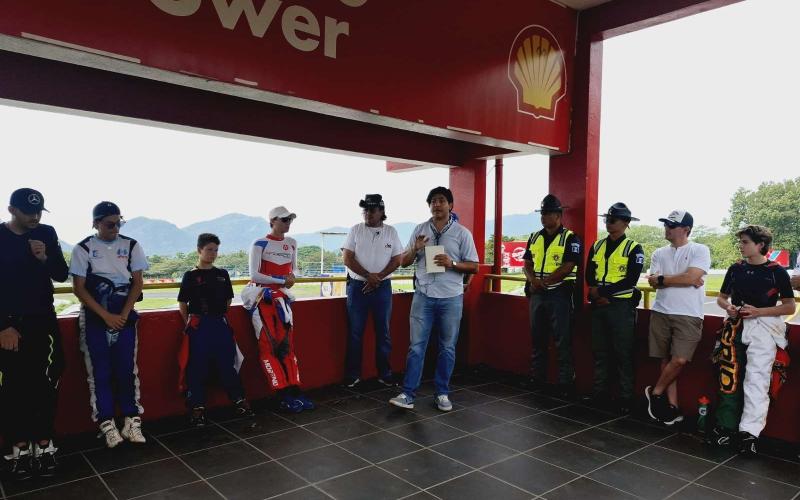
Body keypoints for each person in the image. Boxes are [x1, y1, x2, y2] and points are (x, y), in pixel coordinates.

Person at [389, 187, 479, 412]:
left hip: (451, 297)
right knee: (416, 347)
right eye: (433, 202)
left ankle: (442, 393)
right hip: (424, 296)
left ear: (451, 205)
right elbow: (404, 262)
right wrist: (414, 248)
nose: (437, 205)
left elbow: (474, 266)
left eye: (441, 201)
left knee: (447, 347)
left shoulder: (462, 233)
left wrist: (453, 264)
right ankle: (408, 394)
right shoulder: (420, 230)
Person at [0, 188, 68, 479]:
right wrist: (3, 325)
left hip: (43, 321)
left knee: (46, 381)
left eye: (39, 211)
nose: (35, 217)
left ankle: (44, 442)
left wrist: (44, 258)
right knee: (14, 386)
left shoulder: (47, 233)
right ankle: (18, 447)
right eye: (29, 212)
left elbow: (61, 274)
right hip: (10, 325)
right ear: (11, 210)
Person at [709, 225, 795, 455]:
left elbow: (789, 306)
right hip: (735, 327)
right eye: (741, 242)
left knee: (757, 380)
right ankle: (725, 428)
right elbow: (721, 298)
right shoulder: (735, 268)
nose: (741, 245)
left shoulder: (777, 271)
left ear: (760, 245)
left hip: (764, 329)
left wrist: (758, 312)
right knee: (730, 377)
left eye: (745, 242)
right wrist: (729, 308)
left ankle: (750, 434)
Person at [70, 201, 148, 448]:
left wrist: (123, 314)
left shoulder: (131, 245)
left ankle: (131, 420)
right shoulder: (83, 248)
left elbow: (137, 283)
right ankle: (106, 424)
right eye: (109, 224)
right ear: (96, 223)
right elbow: (79, 289)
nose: (115, 228)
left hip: (124, 314)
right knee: (99, 373)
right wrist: (105, 316)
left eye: (119, 223)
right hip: (95, 317)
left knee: (127, 370)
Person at [177, 233, 254, 427]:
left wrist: (218, 316)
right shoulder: (191, 275)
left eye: (216, 250)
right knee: (197, 367)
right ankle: (197, 407)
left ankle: (238, 400)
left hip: (220, 324)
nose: (213, 254)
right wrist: (189, 323)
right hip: (199, 326)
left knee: (227, 364)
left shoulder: (222, 274)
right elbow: (182, 303)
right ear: (199, 250)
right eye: (209, 249)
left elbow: (228, 300)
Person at [244, 206, 313, 413]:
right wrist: (281, 279)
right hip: (261, 300)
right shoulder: (259, 243)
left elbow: (295, 268)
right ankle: (281, 394)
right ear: (272, 221)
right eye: (284, 219)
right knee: (268, 348)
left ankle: (295, 391)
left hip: (283, 300)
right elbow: (254, 275)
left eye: (290, 219)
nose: (288, 223)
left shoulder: (292, 243)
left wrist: (292, 277)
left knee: (287, 348)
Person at [644, 210, 710, 425]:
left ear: (686, 229)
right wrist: (684, 279)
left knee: (679, 359)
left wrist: (673, 278)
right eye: (666, 225)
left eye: (672, 225)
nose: (667, 229)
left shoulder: (700, 249)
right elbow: (653, 281)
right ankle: (672, 407)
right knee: (665, 358)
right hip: (661, 310)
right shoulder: (659, 253)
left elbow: (692, 277)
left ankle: (655, 392)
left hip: (689, 313)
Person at [585, 202, 645, 414]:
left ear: (626, 223)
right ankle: (600, 393)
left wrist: (602, 294)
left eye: (613, 220)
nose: (608, 223)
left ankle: (626, 398)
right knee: (600, 352)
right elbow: (589, 273)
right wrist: (595, 293)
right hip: (600, 306)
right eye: (606, 219)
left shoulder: (634, 248)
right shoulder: (597, 245)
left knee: (623, 353)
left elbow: (631, 279)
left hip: (621, 306)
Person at [522, 194, 581, 398]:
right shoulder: (534, 237)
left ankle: (565, 382)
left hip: (559, 294)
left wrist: (544, 282)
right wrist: (533, 281)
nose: (543, 217)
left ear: (558, 215)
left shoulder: (570, 238)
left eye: (547, 213)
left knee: (561, 339)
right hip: (537, 294)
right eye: (542, 213)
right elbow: (527, 264)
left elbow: (568, 266)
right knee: (537, 338)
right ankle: (538, 377)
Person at [342, 194, 403, 389]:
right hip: (357, 287)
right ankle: (353, 375)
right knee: (355, 333)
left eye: (372, 209)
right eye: (365, 209)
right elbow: (348, 258)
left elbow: (397, 260)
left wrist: (378, 278)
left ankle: (385, 374)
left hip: (383, 288)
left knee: (383, 332)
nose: (368, 213)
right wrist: (369, 276)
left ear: (381, 212)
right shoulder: (355, 230)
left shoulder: (391, 232)